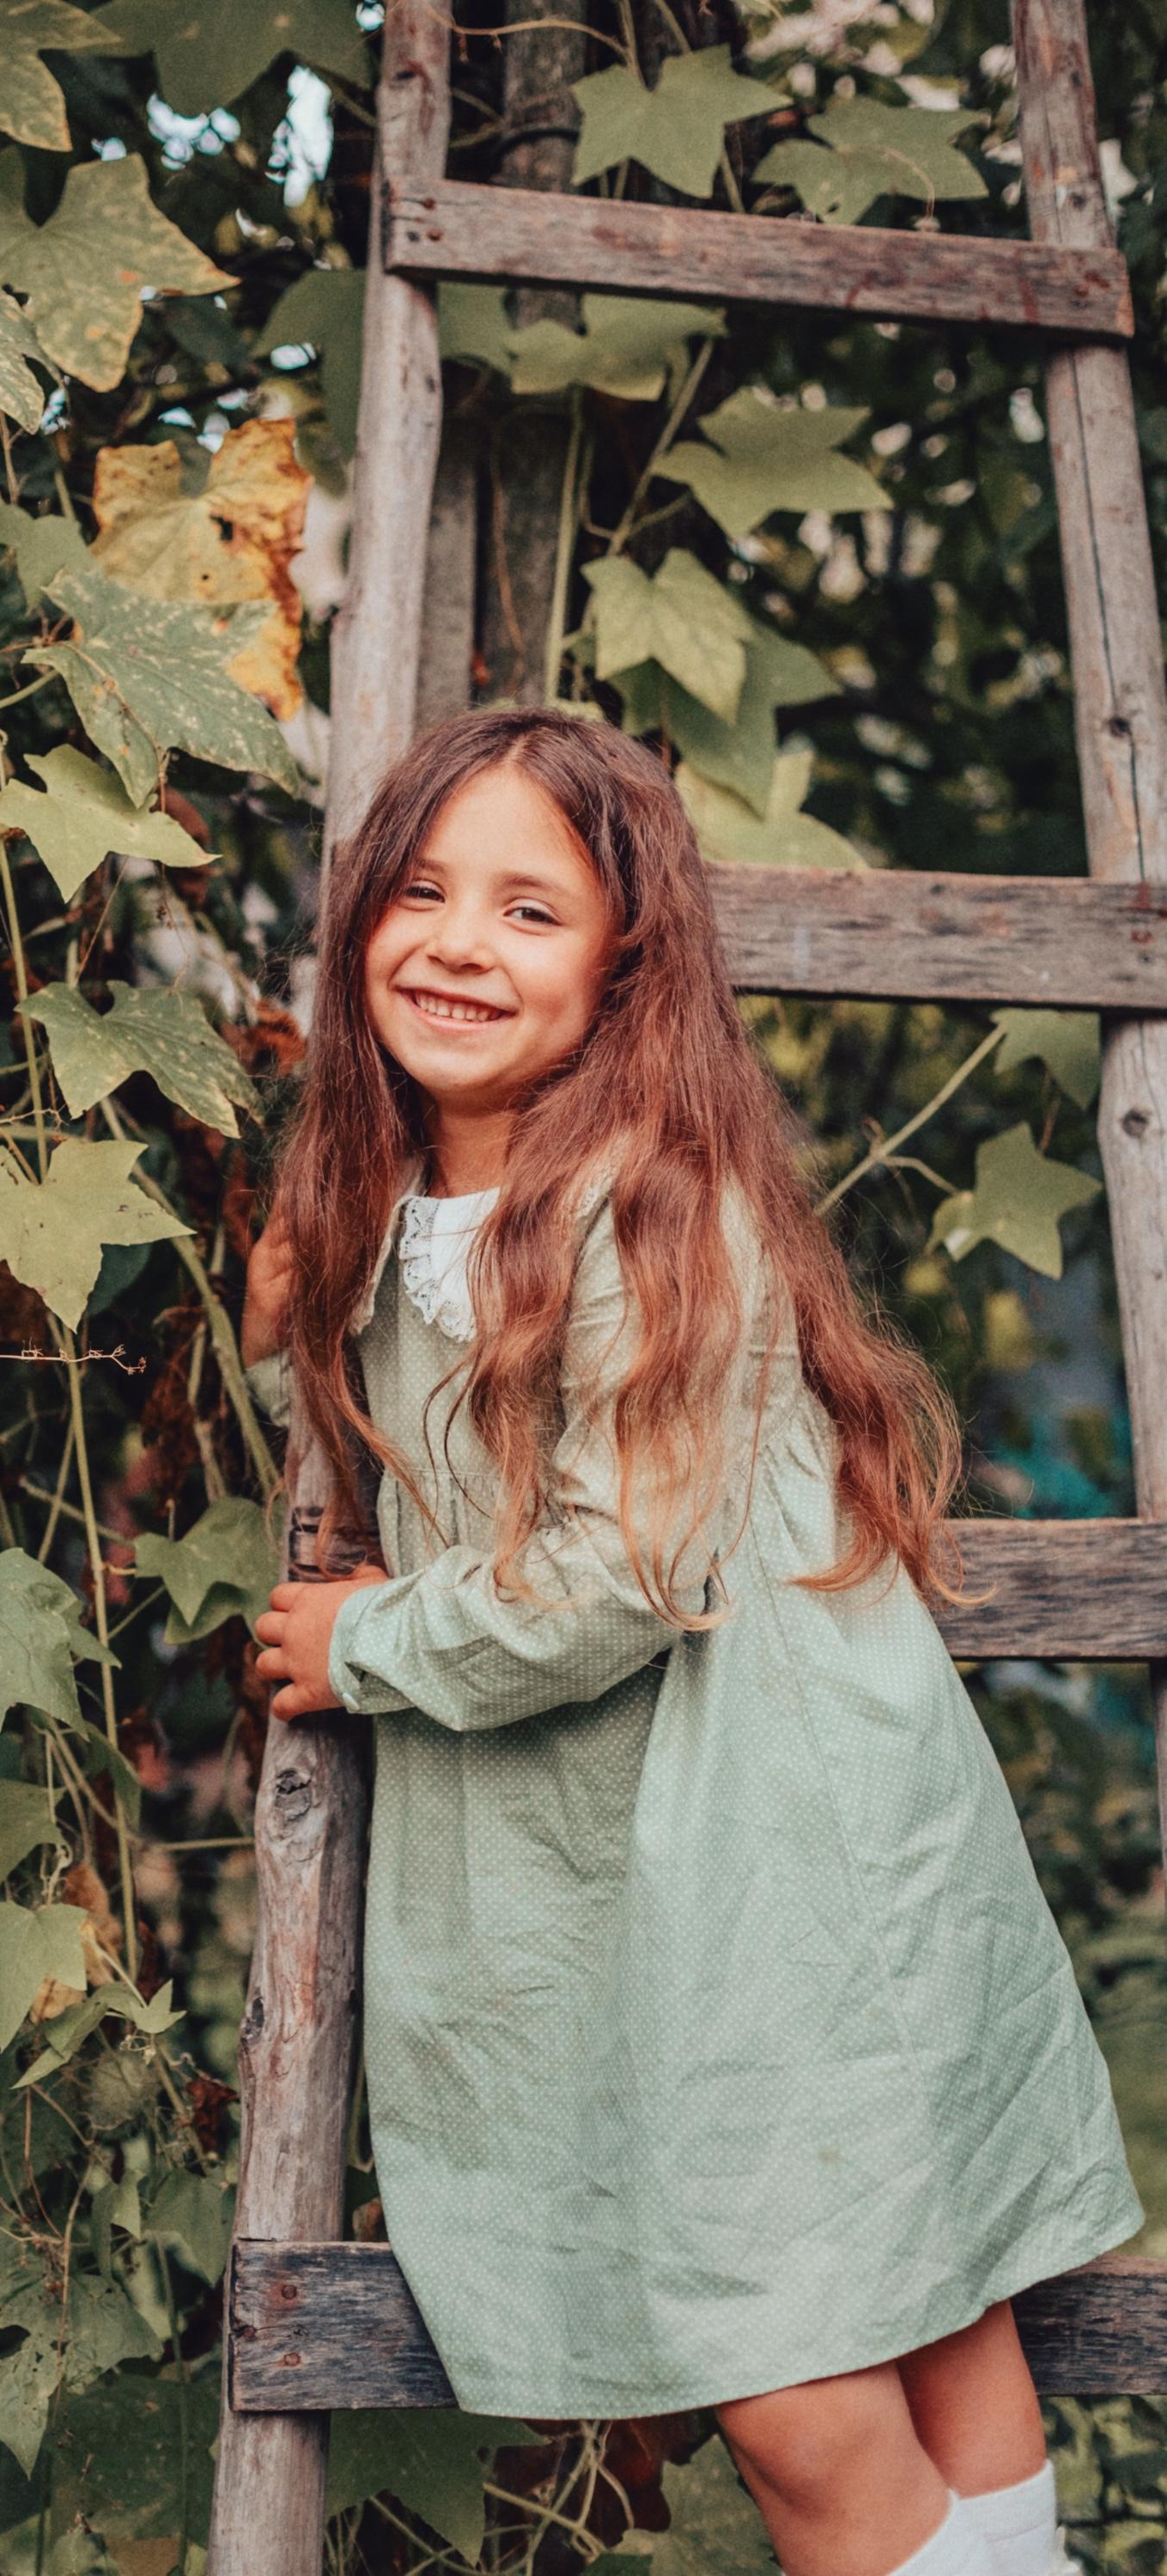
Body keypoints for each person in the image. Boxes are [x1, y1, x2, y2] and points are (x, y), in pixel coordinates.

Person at [242, 707, 1143, 2576]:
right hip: (670, 1872)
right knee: (911, 2311)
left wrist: (368, 1643)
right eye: (419, 893)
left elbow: (609, 1583)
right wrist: (292, 1285)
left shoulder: (651, 1221)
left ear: (625, 970)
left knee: (810, 2379)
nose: (457, 942)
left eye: (527, 910)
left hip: (769, 1856)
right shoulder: (407, 1208)